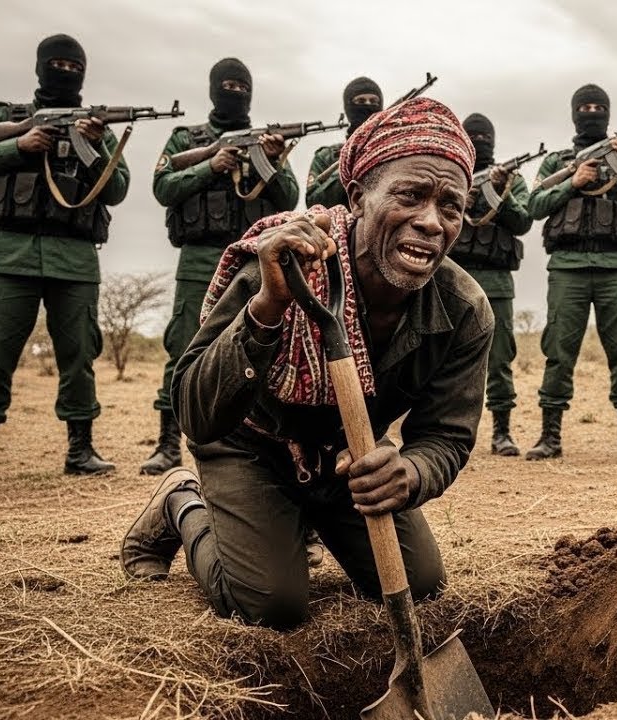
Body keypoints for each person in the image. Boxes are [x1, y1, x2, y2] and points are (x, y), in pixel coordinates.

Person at [121, 97, 492, 630]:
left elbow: (448, 436)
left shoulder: (464, 309)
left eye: (450, 207)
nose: (431, 222)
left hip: (346, 457)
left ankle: (306, 518)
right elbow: (196, 412)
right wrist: (267, 309)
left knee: (423, 584)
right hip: (250, 443)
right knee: (272, 606)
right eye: (410, 195)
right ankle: (183, 503)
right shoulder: (285, 267)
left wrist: (408, 472)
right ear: (359, 198)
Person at [0, 34, 129, 488]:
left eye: (73, 65)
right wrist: (20, 147)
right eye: (58, 64)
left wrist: (97, 144)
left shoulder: (94, 127)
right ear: (41, 67)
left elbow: (117, 189)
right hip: (12, 254)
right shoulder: (2, 117)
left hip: (76, 259)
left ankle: (81, 450)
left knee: (80, 356)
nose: (65, 72)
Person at [140, 58, 298, 477]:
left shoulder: (267, 142)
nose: (235, 92)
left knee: (264, 345)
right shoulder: (185, 139)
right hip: (198, 259)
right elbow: (162, 187)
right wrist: (211, 165)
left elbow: (288, 199)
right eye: (227, 85)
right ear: (213, 89)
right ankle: (167, 444)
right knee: (184, 349)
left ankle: (258, 445)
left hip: (256, 259)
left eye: (242, 86)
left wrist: (271, 160)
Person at [524, 84, 617, 462]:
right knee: (559, 351)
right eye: (586, 107)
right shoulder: (557, 162)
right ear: (575, 113)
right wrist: (574, 182)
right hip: (567, 268)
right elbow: (534, 205)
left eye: (599, 107)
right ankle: (550, 437)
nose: (592, 112)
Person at [445, 113, 533, 456]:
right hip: (451, 278)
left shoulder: (511, 180)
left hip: (497, 282)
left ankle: (503, 432)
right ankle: (439, 435)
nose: (481, 143)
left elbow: (523, 220)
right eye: (475, 137)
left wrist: (498, 192)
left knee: (499, 360)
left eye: (486, 137)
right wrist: (455, 201)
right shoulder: (450, 176)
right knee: (438, 360)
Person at [303, 77, 382, 209]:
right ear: (349, 106)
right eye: (361, 101)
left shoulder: (392, 151)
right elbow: (314, 203)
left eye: (373, 101)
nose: (368, 105)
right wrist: (351, 161)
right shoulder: (327, 156)